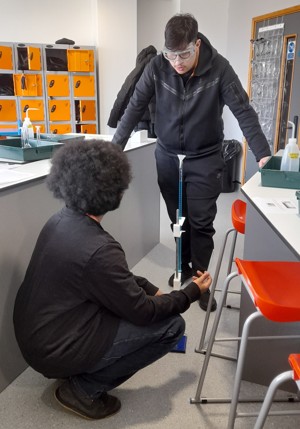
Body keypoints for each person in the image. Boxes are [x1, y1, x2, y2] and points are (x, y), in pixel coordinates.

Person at [13, 139, 212, 421]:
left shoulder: (60, 220)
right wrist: (191, 292)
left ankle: (80, 370)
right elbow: (143, 312)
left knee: (124, 304)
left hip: (39, 338)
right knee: (171, 326)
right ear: (115, 191)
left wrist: (150, 288)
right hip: (54, 350)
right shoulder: (100, 248)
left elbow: (109, 277)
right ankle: (82, 390)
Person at [111, 13, 271, 312]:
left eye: (183, 54)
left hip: (205, 157)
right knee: (178, 220)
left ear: (196, 44)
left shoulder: (220, 68)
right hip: (168, 155)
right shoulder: (157, 67)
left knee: (201, 222)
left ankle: (201, 282)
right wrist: (114, 149)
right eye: (171, 54)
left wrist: (263, 153)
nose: (177, 62)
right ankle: (182, 267)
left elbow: (244, 112)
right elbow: (133, 107)